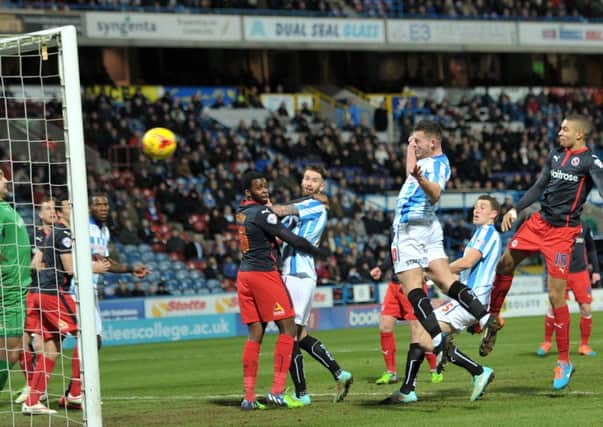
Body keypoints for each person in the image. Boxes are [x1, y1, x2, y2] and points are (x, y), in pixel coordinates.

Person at [482, 114, 603, 391]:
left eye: (565, 129)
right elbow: (539, 186)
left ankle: (563, 361)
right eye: (560, 128)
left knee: (555, 295)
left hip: (562, 234)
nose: (559, 132)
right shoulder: (555, 155)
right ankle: (494, 315)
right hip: (539, 223)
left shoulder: (590, 162)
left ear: (580, 135)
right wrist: (515, 208)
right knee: (505, 263)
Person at [391, 120, 495, 365]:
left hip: (410, 226)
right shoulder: (426, 162)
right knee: (445, 280)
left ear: (432, 142)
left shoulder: (436, 164)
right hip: (427, 226)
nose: (414, 145)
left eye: (417, 142)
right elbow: (411, 173)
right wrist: (409, 150)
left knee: (412, 286)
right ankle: (483, 315)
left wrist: (421, 179)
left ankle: (437, 338)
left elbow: (436, 193)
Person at [235, 171, 330, 410]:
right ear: (249, 192)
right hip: (263, 274)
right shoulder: (263, 213)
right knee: (289, 328)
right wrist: (320, 253)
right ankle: (277, 391)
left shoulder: (242, 212)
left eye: (266, 186)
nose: (265, 190)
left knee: (255, 334)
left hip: (243, 275)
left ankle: (249, 397)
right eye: (259, 187)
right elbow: (291, 238)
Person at [270, 165, 352, 406]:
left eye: (314, 180)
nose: (308, 182)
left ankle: (302, 394)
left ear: (322, 186)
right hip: (300, 273)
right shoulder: (310, 206)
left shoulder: (313, 205)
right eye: (306, 178)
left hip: (296, 273)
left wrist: (258, 209)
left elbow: (283, 209)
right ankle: (340, 373)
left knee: (289, 335)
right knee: (300, 334)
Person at [406, 195, 501, 403]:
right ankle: (408, 388)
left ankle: (477, 371)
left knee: (424, 331)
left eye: (482, 207)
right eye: (475, 207)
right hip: (468, 298)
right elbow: (467, 269)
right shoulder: (480, 234)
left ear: (493, 214)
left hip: (471, 299)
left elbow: (467, 262)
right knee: (421, 328)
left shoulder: (486, 233)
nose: (476, 211)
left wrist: (437, 273)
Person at [58, 195, 149, 408]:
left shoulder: (103, 231)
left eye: (106, 204)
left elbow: (105, 262)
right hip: (75, 289)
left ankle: (71, 393)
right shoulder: (82, 227)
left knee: (94, 341)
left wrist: (130, 269)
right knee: (76, 339)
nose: (103, 207)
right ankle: (68, 393)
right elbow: (73, 256)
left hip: (91, 291)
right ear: (89, 207)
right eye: (98, 204)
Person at [21, 198, 111, 415]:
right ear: (63, 213)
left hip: (37, 293)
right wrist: (93, 267)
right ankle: (75, 393)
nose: (76, 208)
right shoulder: (63, 233)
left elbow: (34, 264)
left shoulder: (53, 234)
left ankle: (33, 400)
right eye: (71, 206)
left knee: (51, 347)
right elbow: (71, 269)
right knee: (88, 332)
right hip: (52, 294)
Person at [370, 260, 442, 392]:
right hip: (394, 285)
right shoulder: (396, 239)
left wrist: (426, 271)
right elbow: (393, 255)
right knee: (384, 326)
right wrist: (381, 267)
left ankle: (435, 369)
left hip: (413, 284)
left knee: (418, 330)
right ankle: (391, 372)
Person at [15, 197, 57, 404]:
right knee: (21, 340)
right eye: (47, 208)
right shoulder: (33, 237)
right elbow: (30, 264)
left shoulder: (63, 235)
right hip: (32, 292)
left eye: (54, 208)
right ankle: (32, 383)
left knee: (42, 343)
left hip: (52, 293)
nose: (52, 211)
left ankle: (39, 389)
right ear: (40, 214)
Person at [537, 222, 600, 357]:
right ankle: (547, 342)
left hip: (580, 272)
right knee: (553, 307)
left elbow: (591, 249)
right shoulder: (558, 223)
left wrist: (596, 270)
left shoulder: (585, 226)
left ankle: (584, 345)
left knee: (586, 308)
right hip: (561, 269)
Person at [0, 169, 32, 398]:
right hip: (9, 289)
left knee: (18, 347)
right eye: (1, 177)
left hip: (19, 288)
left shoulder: (6, 208)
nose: (7, 180)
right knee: (11, 352)